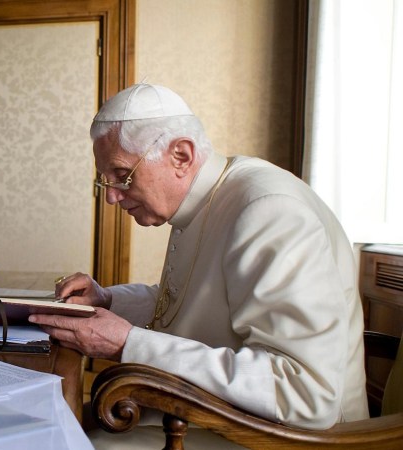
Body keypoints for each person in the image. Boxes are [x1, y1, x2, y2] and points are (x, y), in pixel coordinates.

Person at [28, 83, 369, 430]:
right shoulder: (207, 197)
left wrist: (128, 345)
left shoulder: (268, 210)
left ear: (181, 156)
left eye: (122, 176)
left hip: (284, 437)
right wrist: (109, 301)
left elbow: (303, 393)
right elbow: (192, 302)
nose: (112, 198)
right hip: (220, 416)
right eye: (106, 181)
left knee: (62, 430)